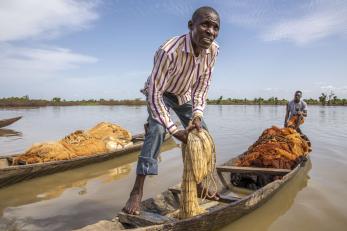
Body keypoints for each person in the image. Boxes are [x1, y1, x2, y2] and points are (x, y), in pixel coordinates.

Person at [123, 6, 221, 215]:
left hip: (184, 95)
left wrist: (197, 115)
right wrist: (174, 130)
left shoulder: (213, 51)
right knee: (157, 132)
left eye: (215, 27)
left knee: (202, 132)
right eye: (205, 24)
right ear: (190, 26)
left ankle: (199, 182)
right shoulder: (168, 51)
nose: (210, 32)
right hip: (160, 94)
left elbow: (202, 87)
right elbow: (155, 93)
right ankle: (137, 191)